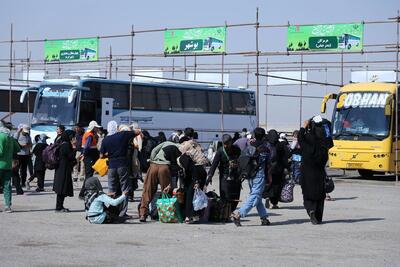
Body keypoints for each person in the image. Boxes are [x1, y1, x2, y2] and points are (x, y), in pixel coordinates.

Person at [100, 121, 141, 219]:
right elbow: (138, 131)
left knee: (111, 189)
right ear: (116, 128)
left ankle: (111, 212)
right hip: (122, 164)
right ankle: (123, 213)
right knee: (125, 189)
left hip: (111, 166)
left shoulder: (106, 139)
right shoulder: (122, 135)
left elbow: (101, 156)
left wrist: (110, 154)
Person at [231, 127, 272, 227]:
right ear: (263, 136)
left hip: (250, 175)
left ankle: (264, 218)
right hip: (259, 175)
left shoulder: (249, 145)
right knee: (255, 196)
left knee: (256, 195)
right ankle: (239, 214)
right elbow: (268, 163)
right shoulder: (265, 148)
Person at [138, 141, 182, 222]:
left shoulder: (165, 143)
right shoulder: (180, 147)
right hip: (165, 167)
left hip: (154, 166)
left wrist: (152, 160)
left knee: (147, 191)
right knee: (166, 191)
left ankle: (143, 214)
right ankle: (165, 213)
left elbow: (154, 150)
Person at [298, 116, 329, 224]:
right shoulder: (324, 141)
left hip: (307, 172)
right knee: (320, 195)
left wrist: (303, 127)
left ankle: (311, 210)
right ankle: (319, 217)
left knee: (307, 194)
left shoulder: (307, 139)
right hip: (319, 172)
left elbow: (300, 138)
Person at [207, 134, 242, 210]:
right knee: (225, 195)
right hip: (224, 176)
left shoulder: (237, 150)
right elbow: (214, 164)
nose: (225, 146)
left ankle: (232, 210)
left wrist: (237, 164)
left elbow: (242, 161)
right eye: (224, 144)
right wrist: (210, 175)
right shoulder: (220, 151)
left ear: (231, 142)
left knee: (235, 195)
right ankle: (226, 211)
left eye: (227, 144)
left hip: (236, 176)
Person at [264, 129, 288, 209]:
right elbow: (285, 157)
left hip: (267, 168)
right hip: (278, 169)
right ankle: (274, 203)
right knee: (277, 186)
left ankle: (267, 196)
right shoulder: (281, 145)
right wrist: (287, 167)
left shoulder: (265, 144)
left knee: (268, 183)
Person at [0, 120, 21, 212]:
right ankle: (8, 206)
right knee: (7, 186)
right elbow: (18, 148)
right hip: (8, 166)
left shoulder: (1, 136)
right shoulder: (10, 138)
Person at [53, 130, 76, 212]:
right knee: (62, 188)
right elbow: (71, 157)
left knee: (62, 188)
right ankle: (58, 207)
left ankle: (60, 206)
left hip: (61, 168)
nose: (73, 138)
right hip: (63, 169)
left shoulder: (62, 143)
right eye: (72, 136)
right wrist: (74, 147)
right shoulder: (66, 145)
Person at [78, 120, 101, 199]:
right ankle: (82, 193)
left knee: (89, 175)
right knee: (88, 176)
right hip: (89, 157)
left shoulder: (90, 134)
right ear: (93, 128)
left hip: (89, 156)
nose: (97, 129)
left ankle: (84, 192)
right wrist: (84, 154)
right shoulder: (90, 135)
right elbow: (87, 146)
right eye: (96, 127)